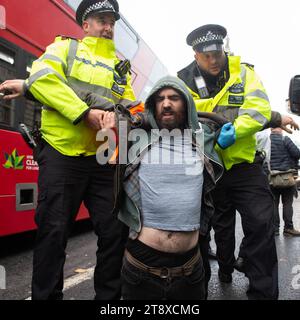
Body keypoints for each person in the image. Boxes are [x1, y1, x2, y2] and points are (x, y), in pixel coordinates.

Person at [0, 0, 136, 300]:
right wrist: (85, 113)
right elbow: (42, 80)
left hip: (103, 158)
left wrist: (120, 117)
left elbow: (132, 109)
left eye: (112, 21)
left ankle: (109, 301)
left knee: (115, 233)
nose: (108, 27)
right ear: (85, 25)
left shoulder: (120, 70)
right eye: (101, 20)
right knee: (53, 234)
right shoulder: (64, 49)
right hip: (61, 155)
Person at [178, 24, 279, 299]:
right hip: (202, 168)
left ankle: (263, 293)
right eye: (206, 55)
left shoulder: (244, 73)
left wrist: (235, 130)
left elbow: (259, 110)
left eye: (217, 53)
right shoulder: (181, 81)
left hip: (243, 166)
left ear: (223, 48)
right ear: (195, 54)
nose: (213, 60)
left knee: (261, 224)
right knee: (197, 233)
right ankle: (197, 292)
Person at [105, 75, 223, 300]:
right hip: (140, 268)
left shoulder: (203, 139)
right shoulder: (136, 138)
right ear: (153, 105)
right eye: (160, 99)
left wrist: (276, 117)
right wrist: (115, 123)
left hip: (190, 270)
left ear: (186, 104)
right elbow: (121, 114)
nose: (166, 103)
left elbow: (230, 119)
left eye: (174, 98)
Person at [270, 127, 300, 236]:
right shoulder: (285, 139)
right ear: (281, 129)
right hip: (287, 178)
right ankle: (288, 228)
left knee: (273, 204)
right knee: (287, 204)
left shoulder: (266, 141)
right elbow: (297, 154)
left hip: (272, 178)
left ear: (271, 129)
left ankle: (275, 229)